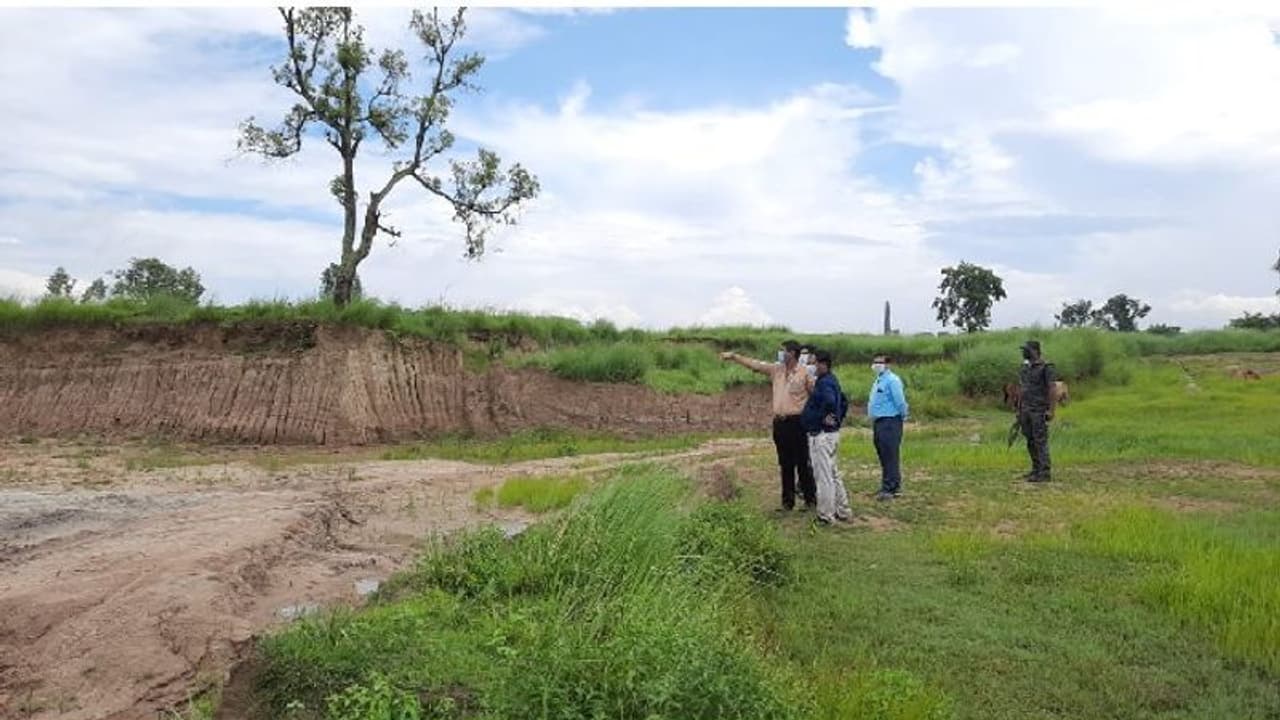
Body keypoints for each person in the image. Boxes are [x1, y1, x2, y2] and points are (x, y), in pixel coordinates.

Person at [720, 340, 817, 511]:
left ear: (793, 353)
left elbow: (815, 396)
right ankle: (787, 502)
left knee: (802, 462)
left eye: (783, 351)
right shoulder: (776, 370)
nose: (780, 354)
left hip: (797, 423)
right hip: (780, 423)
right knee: (785, 464)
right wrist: (735, 357)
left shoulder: (804, 373)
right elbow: (755, 365)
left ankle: (810, 500)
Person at [801, 349, 851, 524]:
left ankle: (825, 515)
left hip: (821, 435)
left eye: (813, 363)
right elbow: (843, 401)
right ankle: (842, 509)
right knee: (832, 473)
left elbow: (830, 402)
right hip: (830, 434)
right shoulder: (830, 380)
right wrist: (837, 419)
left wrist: (821, 418)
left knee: (823, 477)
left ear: (823, 364)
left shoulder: (825, 384)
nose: (811, 366)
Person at [867, 353, 909, 501]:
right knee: (883, 454)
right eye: (875, 362)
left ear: (888, 364)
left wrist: (903, 415)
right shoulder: (879, 380)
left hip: (890, 421)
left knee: (890, 454)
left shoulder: (892, 380)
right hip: (879, 421)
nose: (876, 364)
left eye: (880, 362)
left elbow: (900, 401)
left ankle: (890, 488)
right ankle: (889, 485)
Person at [1017, 340, 1057, 482]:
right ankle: (1035, 469)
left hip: (1039, 410)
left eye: (1026, 349)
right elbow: (1023, 389)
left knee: (1040, 441)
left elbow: (1052, 389)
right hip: (1026, 410)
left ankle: (1044, 472)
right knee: (1030, 440)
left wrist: (1051, 410)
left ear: (1035, 350)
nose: (1024, 352)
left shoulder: (1046, 367)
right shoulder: (1026, 368)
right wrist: (1019, 409)